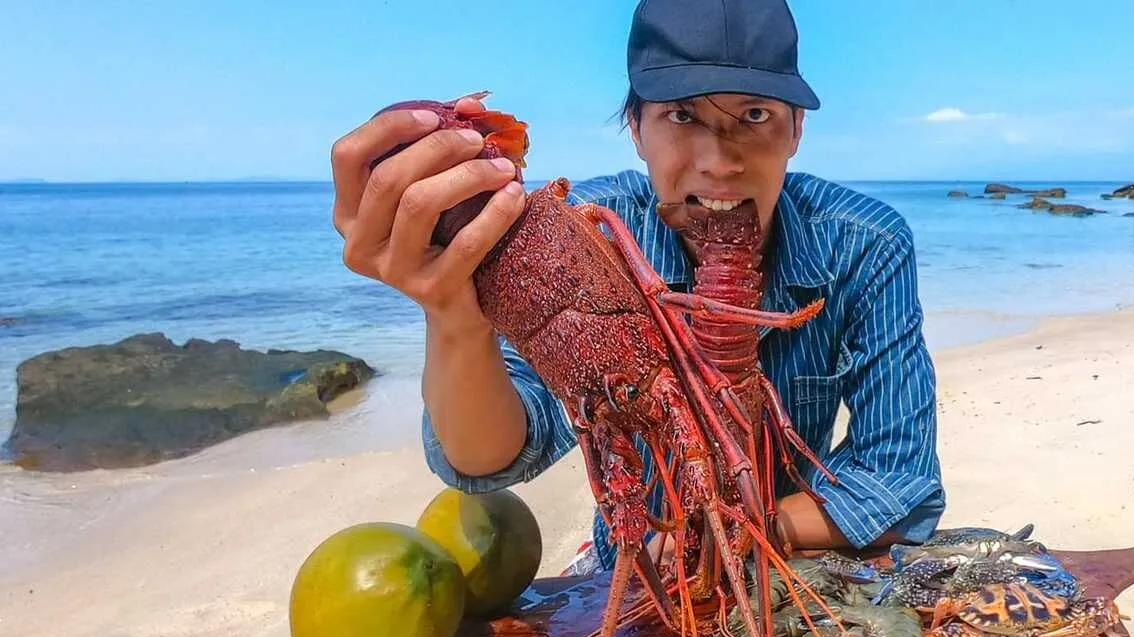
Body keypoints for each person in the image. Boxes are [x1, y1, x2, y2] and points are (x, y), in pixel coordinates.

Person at [330, 0, 946, 575]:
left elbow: (900, 480)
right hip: (638, 563)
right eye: (682, 115)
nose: (719, 161)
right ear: (636, 127)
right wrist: (453, 315)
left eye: (755, 115)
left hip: (793, 553)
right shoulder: (582, 235)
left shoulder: (864, 244)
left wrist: (739, 530)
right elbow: (493, 456)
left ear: (795, 131)